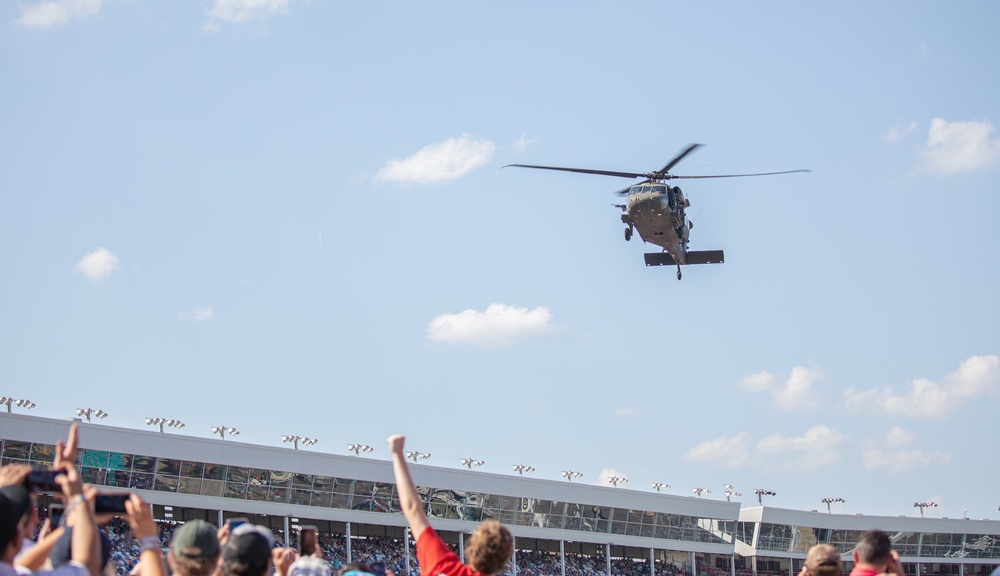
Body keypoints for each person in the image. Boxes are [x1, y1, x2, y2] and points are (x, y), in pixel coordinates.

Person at [387, 435, 513, 576]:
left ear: (470, 548)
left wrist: (397, 453)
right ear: (503, 561)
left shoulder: (443, 565)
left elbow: (412, 508)